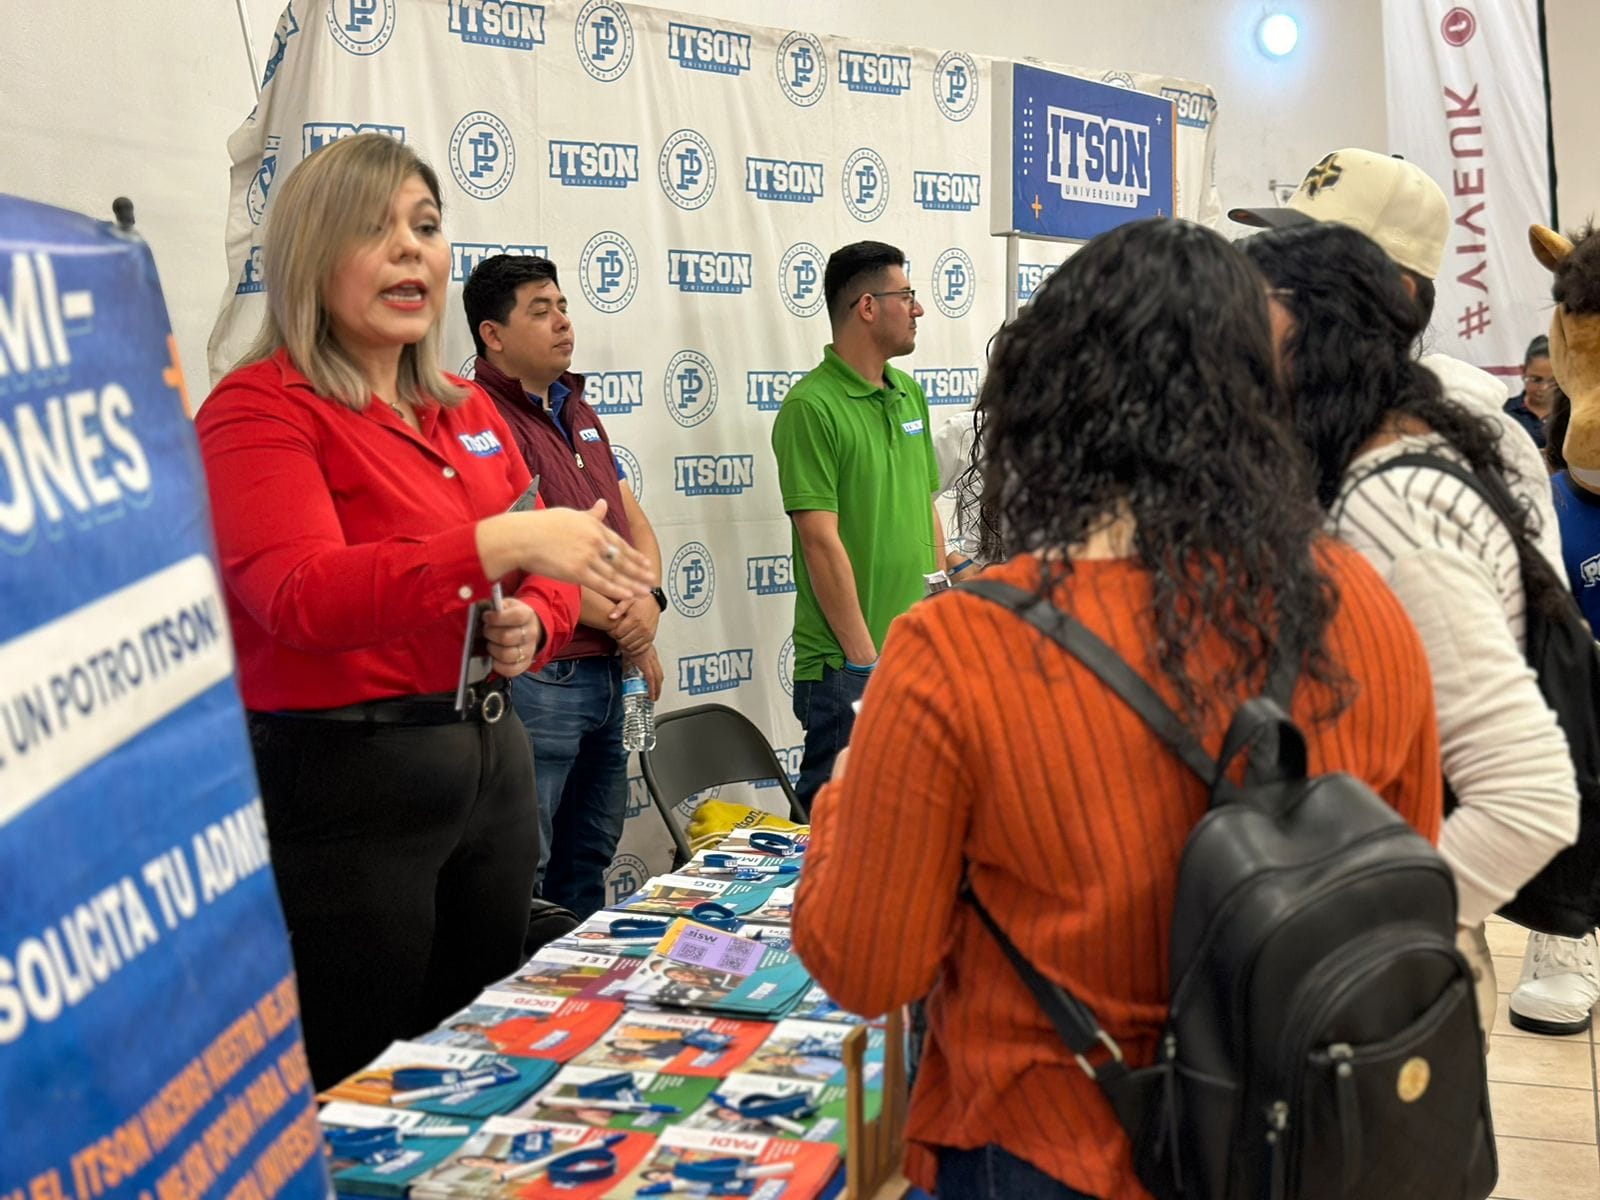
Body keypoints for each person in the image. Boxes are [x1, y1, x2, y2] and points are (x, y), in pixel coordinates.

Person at [793, 218, 1445, 1200]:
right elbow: (1403, 884)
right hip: (1294, 1145)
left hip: (1041, 1147)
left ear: (1044, 398)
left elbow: (867, 965)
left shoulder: (958, 648)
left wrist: (846, 796)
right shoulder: (1368, 610)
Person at [195, 134, 655, 1088]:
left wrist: (534, 616)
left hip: (490, 764)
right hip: (348, 784)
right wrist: (503, 549)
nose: (412, 251)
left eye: (428, 226)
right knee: (360, 1077)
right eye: (378, 230)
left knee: (475, 1063)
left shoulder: (466, 411)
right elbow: (300, 596)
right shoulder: (258, 411)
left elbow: (553, 558)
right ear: (311, 257)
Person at [1240, 221, 1579, 1041]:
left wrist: (1369, 934)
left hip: (1379, 986)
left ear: (1317, 342)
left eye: (1253, 329)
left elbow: (1531, 796)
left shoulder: (1396, 507)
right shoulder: (1386, 455)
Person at [1229, 148, 1564, 572]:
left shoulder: (1424, 472)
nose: (1275, 291)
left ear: (1393, 295)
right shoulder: (1323, 422)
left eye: (1306, 272)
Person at [463, 253, 666, 923]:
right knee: (530, 869)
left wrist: (649, 606)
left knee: (589, 862)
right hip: (544, 678)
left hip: (612, 674)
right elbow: (519, 554)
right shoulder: (476, 418)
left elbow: (631, 518)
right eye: (540, 311)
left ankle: (580, 1002)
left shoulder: (576, 406)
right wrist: (620, 620)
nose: (562, 322)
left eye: (563, 306)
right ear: (493, 334)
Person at [771, 241, 947, 805]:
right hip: (849, 667)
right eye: (907, 296)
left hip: (915, 655)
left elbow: (926, 508)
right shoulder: (812, 407)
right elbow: (820, 542)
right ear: (867, 307)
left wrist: (941, 617)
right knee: (832, 830)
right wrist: (863, 662)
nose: (918, 309)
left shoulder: (909, 393)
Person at [1505, 335, 1557, 448]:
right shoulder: (1504, 413)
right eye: (1536, 379)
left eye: (1553, 381)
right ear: (1523, 371)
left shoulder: (1573, 415)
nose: (1544, 388)